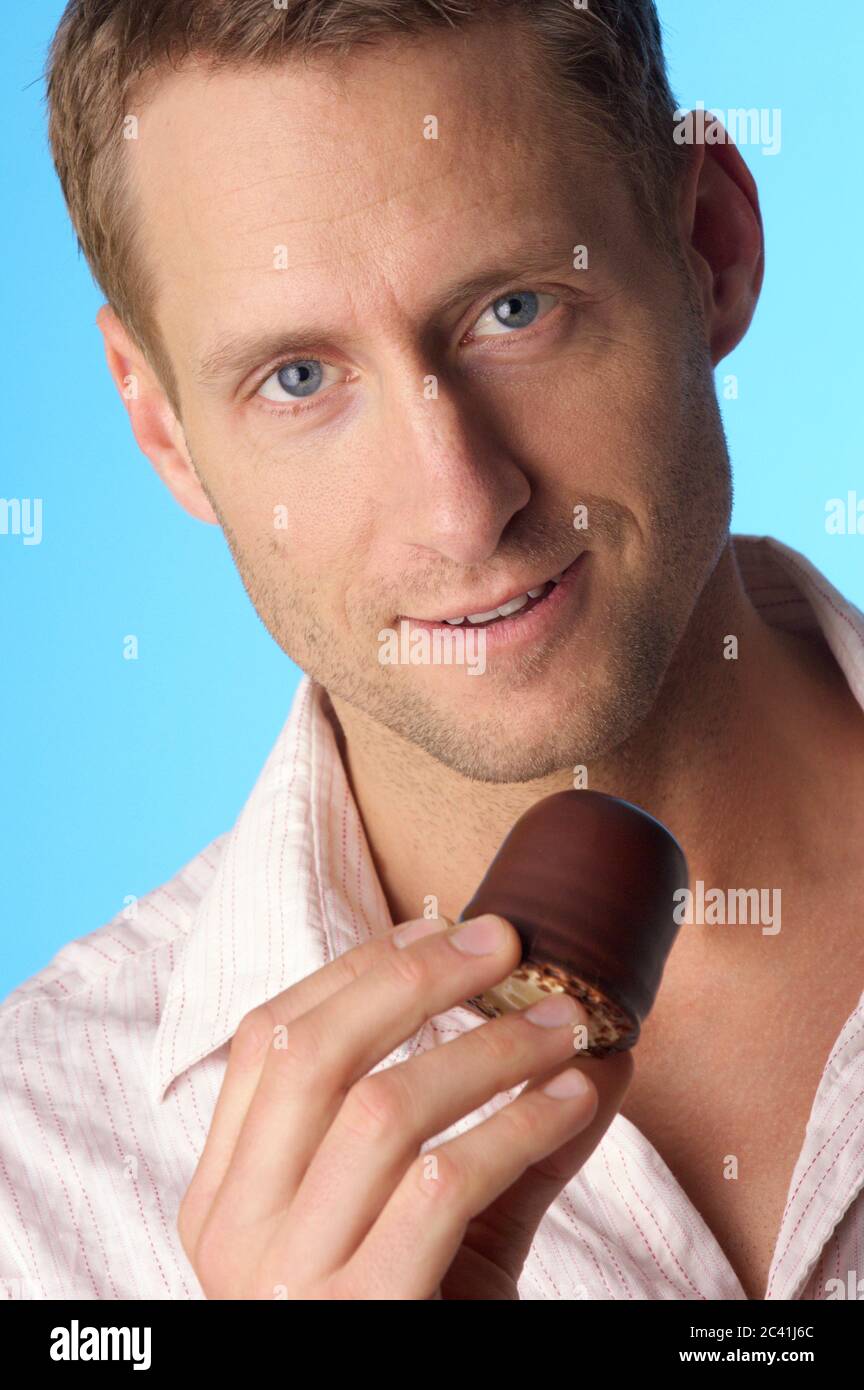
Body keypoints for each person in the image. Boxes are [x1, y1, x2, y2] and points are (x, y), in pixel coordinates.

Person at [2, 0, 863, 1302]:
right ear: (161, 420)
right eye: (299, 378)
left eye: (516, 308)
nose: (463, 508)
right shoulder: (36, 1188)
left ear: (711, 246)